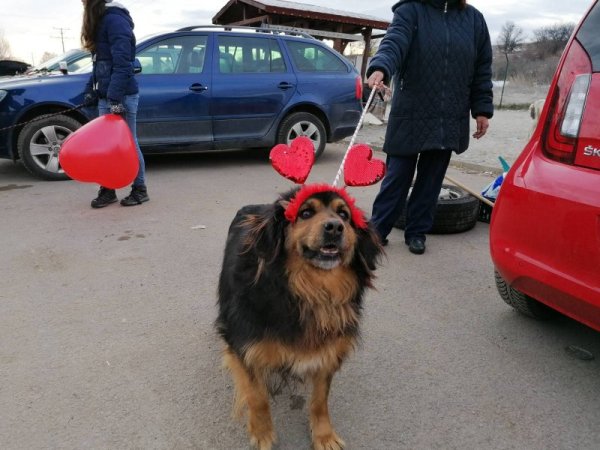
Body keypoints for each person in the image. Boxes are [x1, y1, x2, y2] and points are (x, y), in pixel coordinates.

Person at [366, 0, 493, 254]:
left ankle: (417, 232)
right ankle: (378, 230)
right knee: (397, 176)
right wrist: (381, 67)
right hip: (411, 111)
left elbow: (482, 68)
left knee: (431, 179)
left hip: (449, 115)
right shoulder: (410, 10)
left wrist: (481, 110)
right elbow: (394, 42)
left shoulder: (474, 20)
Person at [81, 0, 149, 208]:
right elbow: (101, 63)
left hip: (122, 96)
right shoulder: (102, 20)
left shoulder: (115, 20)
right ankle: (108, 189)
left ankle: (140, 189)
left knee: (129, 142)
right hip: (109, 94)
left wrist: (114, 98)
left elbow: (123, 64)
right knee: (106, 146)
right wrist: (92, 90)